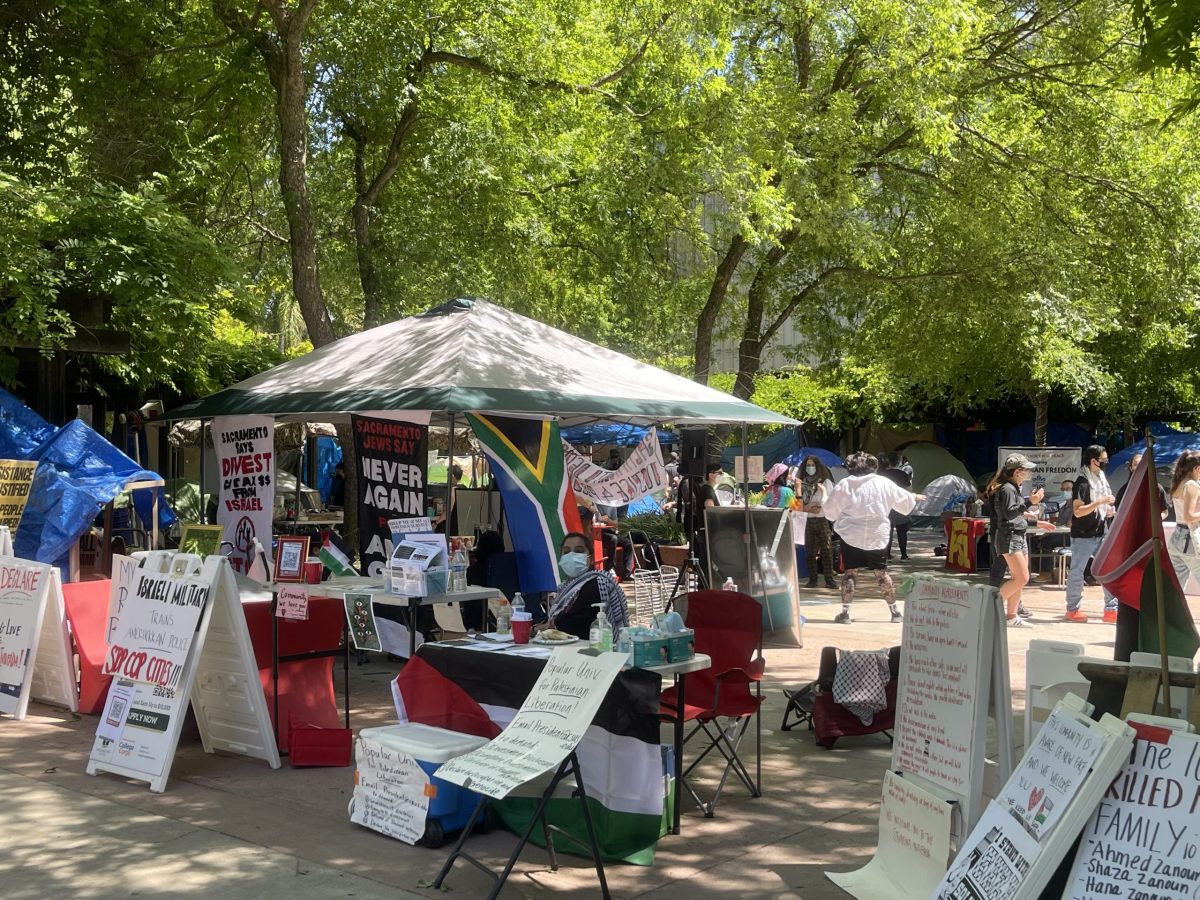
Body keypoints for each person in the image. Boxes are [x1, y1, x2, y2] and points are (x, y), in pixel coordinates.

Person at [823, 452, 920, 625]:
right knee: (881, 573)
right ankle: (895, 612)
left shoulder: (846, 484)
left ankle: (845, 614)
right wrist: (912, 497)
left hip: (851, 533)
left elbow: (830, 512)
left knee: (850, 572)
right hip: (878, 534)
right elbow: (906, 505)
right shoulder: (884, 482)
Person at [985, 454, 1056, 627]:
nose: (1028, 474)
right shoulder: (1007, 489)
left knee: (1020, 578)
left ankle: (1011, 616)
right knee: (1022, 578)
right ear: (1017, 471)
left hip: (1017, 535)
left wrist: (1036, 521)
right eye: (1026, 471)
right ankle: (989, 607)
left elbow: (1015, 514)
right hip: (1010, 537)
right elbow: (1010, 513)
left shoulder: (1011, 487)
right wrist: (1030, 502)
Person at [544, 531, 629, 640]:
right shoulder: (564, 587)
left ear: (591, 558)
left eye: (579, 551)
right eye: (566, 552)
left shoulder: (597, 583)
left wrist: (540, 629)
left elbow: (571, 625)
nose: (572, 556)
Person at [1066, 445, 1117, 623]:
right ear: (1093, 460)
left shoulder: (1101, 478)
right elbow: (1078, 511)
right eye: (1103, 459)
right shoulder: (1082, 482)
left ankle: (1111, 609)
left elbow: (1105, 502)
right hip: (1083, 534)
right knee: (1077, 572)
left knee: (1108, 569)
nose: (1105, 462)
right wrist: (1101, 501)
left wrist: (1108, 508)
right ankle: (1072, 609)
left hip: (1101, 530)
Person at [797, 455, 837, 588]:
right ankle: (812, 579)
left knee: (827, 550)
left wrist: (817, 507)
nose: (810, 468)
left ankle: (829, 579)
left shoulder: (825, 483)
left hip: (822, 519)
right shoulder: (800, 483)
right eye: (808, 465)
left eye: (813, 465)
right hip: (807, 520)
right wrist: (808, 508)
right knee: (810, 552)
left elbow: (830, 502)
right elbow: (798, 504)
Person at [1167, 450, 1200, 595]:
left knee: (1175, 587)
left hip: (1177, 538)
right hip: (1190, 539)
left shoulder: (1179, 482)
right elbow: (1189, 516)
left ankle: (1169, 617)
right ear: (1197, 468)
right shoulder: (1192, 485)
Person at [880, 452, 914, 560]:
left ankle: (887, 554)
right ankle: (904, 555)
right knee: (902, 531)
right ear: (898, 461)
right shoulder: (903, 474)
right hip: (900, 504)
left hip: (887, 506)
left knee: (887, 531)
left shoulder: (882, 475)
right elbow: (909, 491)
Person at [433, 464, 462, 535]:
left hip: (452, 526)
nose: (447, 478)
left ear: (452, 476)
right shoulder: (463, 488)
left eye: (448, 475)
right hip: (461, 525)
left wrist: (436, 523)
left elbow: (448, 512)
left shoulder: (452, 491)